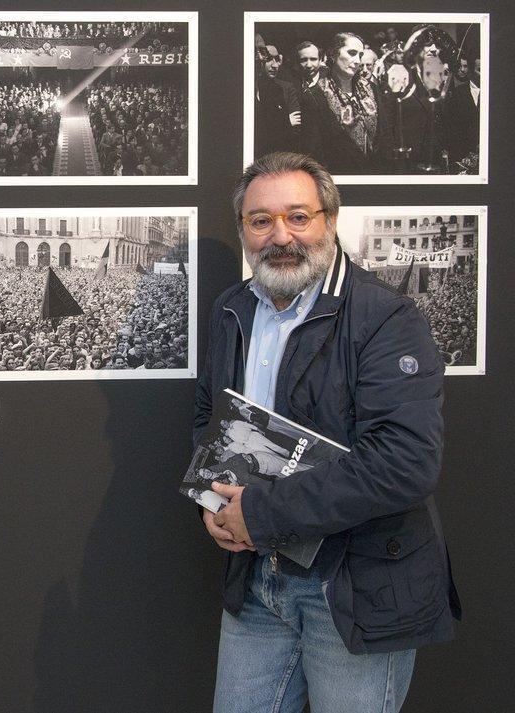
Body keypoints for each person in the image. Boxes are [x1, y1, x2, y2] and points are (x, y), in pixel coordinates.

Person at [196, 152, 460, 712]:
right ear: (243, 229)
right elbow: (211, 416)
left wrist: (261, 512)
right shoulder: (231, 310)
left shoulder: (386, 317)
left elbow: (405, 462)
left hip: (352, 584)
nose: (281, 236)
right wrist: (212, 498)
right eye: (260, 220)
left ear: (330, 220)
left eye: (298, 216)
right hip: (257, 579)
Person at [298, 33, 377, 173]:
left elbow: (384, 135)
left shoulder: (372, 89)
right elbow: (313, 153)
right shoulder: (314, 96)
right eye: (352, 53)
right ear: (333, 54)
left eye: (360, 55)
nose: (357, 61)